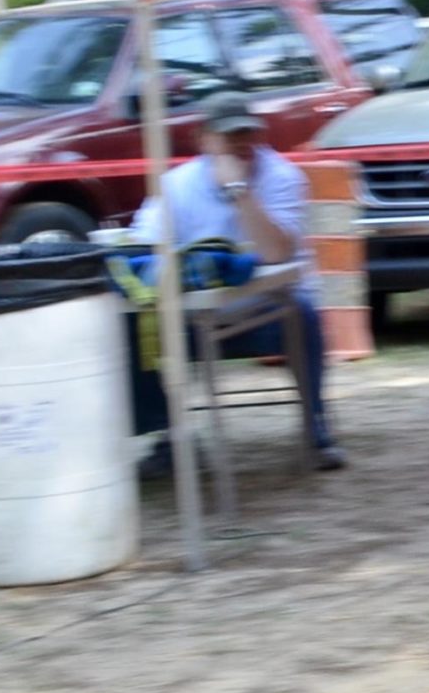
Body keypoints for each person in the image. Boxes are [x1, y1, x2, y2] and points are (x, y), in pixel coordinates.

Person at [130, 93, 344, 470]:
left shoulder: (281, 177)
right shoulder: (176, 185)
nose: (242, 143)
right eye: (230, 135)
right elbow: (142, 246)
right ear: (203, 139)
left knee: (303, 313)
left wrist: (239, 191)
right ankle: (170, 436)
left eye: (247, 133)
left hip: (267, 312)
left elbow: (276, 253)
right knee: (131, 326)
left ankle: (315, 425)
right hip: (194, 317)